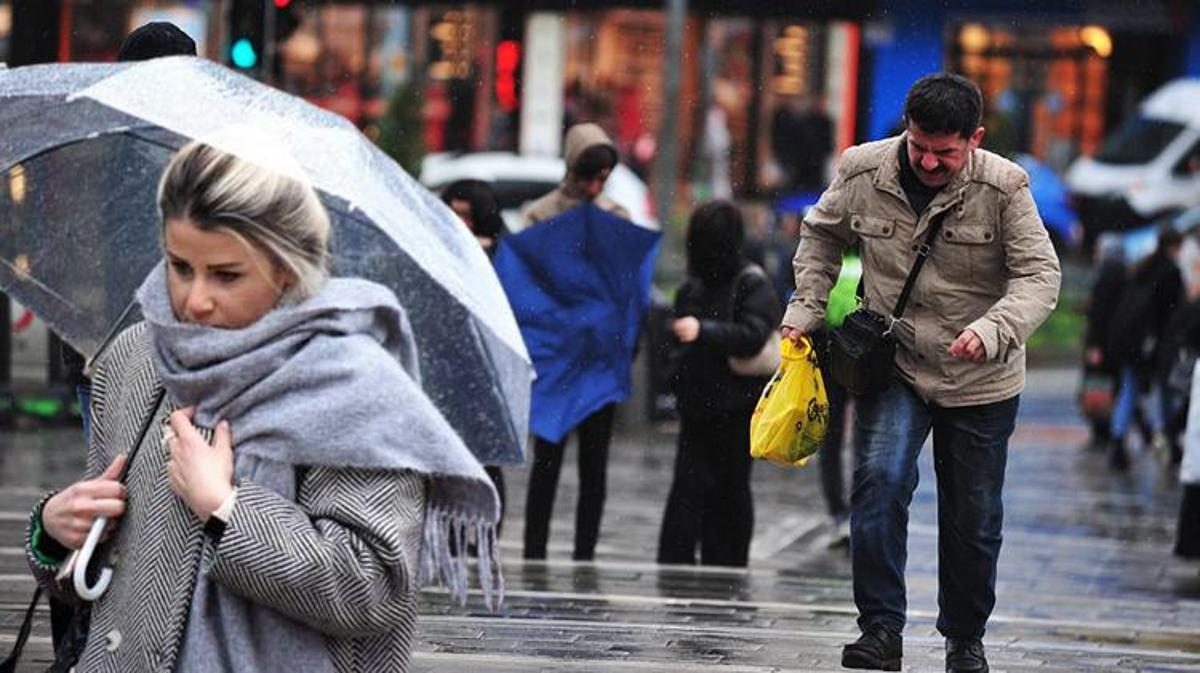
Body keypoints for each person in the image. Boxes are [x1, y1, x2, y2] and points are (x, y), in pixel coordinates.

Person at [25, 139, 500, 672]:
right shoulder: (137, 357)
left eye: (226, 274)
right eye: (180, 265)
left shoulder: (354, 390)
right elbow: (103, 575)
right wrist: (55, 529)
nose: (194, 299)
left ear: (287, 269)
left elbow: (372, 587)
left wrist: (227, 507)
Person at [781, 73, 1060, 672]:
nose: (930, 161)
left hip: (981, 375)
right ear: (906, 130)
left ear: (975, 139)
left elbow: (1041, 276)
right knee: (878, 485)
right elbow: (820, 236)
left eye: (946, 151)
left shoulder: (1006, 187)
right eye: (919, 146)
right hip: (896, 363)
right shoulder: (861, 170)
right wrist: (805, 309)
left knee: (973, 515)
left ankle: (965, 639)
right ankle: (880, 629)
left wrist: (991, 331)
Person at [520, 122, 629, 561]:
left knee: (594, 464)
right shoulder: (541, 214)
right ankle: (534, 550)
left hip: (598, 358)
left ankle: (585, 552)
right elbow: (529, 280)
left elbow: (625, 284)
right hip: (556, 358)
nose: (596, 184)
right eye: (590, 174)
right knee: (546, 460)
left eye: (603, 176)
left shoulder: (615, 216)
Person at [656, 201, 779, 567]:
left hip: (735, 405)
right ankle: (684, 559)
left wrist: (704, 332)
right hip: (699, 403)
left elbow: (754, 336)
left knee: (727, 487)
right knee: (690, 488)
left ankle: (723, 561)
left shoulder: (750, 283)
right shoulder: (694, 286)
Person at [441, 178, 508, 534]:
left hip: (486, 368)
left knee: (486, 452)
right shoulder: (437, 250)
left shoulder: (502, 256)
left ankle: (486, 525)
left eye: (467, 216)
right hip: (448, 363)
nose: (460, 223)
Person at [1104, 226, 1183, 470]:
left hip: (1129, 342)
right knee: (1166, 391)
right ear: (1175, 246)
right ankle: (1169, 436)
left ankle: (1118, 440)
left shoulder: (1142, 268)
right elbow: (1170, 314)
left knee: (1129, 389)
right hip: (1151, 345)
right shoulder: (1170, 272)